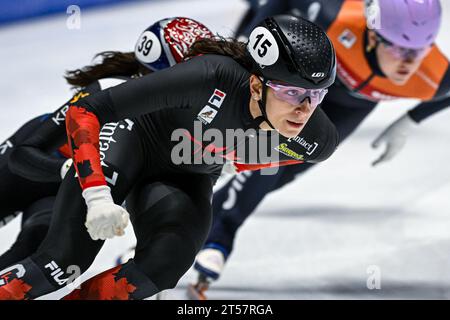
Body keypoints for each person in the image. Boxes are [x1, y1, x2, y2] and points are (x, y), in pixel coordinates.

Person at [0, 14, 337, 300]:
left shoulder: (316, 140)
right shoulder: (208, 78)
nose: (304, 109)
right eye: (292, 93)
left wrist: (235, 156)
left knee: (163, 266)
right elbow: (86, 110)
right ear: (255, 85)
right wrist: (96, 192)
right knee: (62, 263)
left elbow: (268, 155)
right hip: (134, 139)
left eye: (316, 95)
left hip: (186, 171)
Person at [192, 0, 450, 299]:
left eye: (419, 51)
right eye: (398, 48)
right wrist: (246, 43)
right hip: (303, 88)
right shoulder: (336, 16)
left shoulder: (434, 75)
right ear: (373, 34)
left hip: (350, 109)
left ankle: (201, 224)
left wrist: (409, 121)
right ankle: (217, 232)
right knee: (268, 155)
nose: (408, 62)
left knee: (283, 172)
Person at [0, 17, 214, 271]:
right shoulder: (109, 89)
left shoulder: (194, 114)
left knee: (29, 254)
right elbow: (22, 156)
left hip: (64, 190)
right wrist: (67, 169)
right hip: (34, 170)